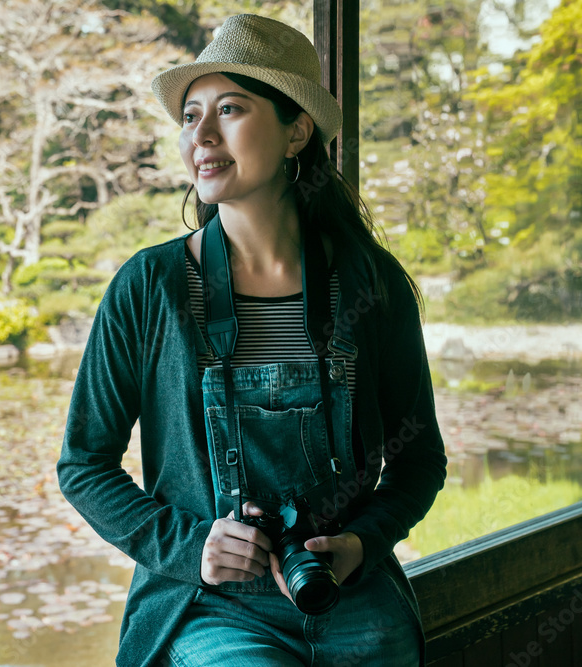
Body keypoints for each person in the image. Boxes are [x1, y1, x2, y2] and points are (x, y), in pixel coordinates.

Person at [57, 13, 447, 667]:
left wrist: (359, 544)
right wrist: (193, 548)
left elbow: (419, 461)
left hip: (345, 595)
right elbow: (83, 464)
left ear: (297, 129)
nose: (201, 136)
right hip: (210, 607)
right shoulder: (150, 286)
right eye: (190, 116)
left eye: (230, 109)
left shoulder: (369, 285)